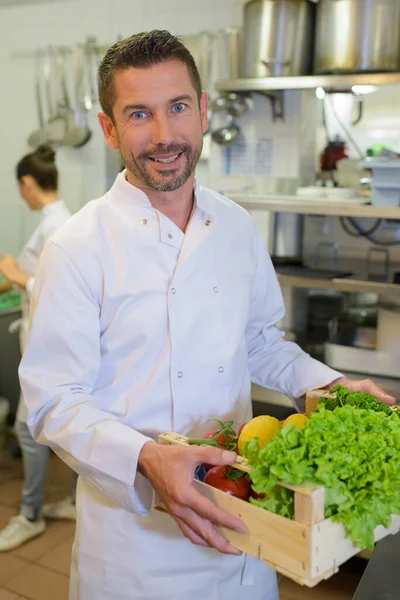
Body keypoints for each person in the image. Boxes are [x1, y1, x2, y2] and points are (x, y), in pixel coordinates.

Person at [18, 31, 396, 600]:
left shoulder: (236, 226)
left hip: (244, 533)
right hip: (135, 549)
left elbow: (261, 342)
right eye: (139, 114)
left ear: (202, 111)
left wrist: (329, 385)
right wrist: (145, 459)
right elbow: (53, 401)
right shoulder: (77, 248)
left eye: (178, 107)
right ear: (110, 129)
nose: (165, 135)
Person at [0, 145, 77, 552]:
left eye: (20, 187)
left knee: (27, 430)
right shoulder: (56, 222)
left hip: (50, 347)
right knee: (64, 425)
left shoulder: (57, 226)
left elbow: (54, 291)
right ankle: (79, 501)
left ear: (27, 183)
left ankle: (29, 516)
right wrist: (12, 278)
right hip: (48, 343)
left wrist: (12, 272)